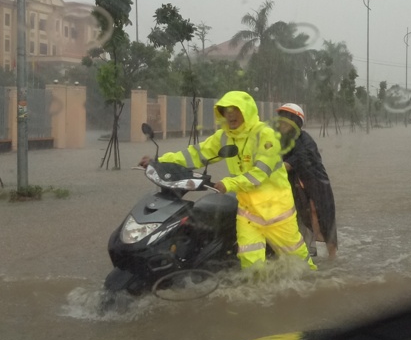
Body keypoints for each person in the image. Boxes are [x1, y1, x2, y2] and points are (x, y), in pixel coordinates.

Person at [139, 91, 316, 271]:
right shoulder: (224, 136)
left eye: (235, 109)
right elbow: (196, 154)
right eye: (225, 110)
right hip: (248, 212)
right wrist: (160, 161)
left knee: (298, 262)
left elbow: (260, 174)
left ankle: (314, 283)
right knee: (251, 265)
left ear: (246, 110)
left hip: (277, 212)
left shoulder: (265, 135)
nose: (230, 114)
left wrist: (228, 184)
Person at [275, 103, 337, 259]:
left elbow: (288, 165)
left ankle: (329, 262)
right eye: (281, 118)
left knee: (319, 221)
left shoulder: (304, 141)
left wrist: (264, 171)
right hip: (295, 188)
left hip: (315, 188)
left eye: (287, 119)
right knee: (295, 221)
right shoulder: (279, 140)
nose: (283, 122)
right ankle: (304, 253)